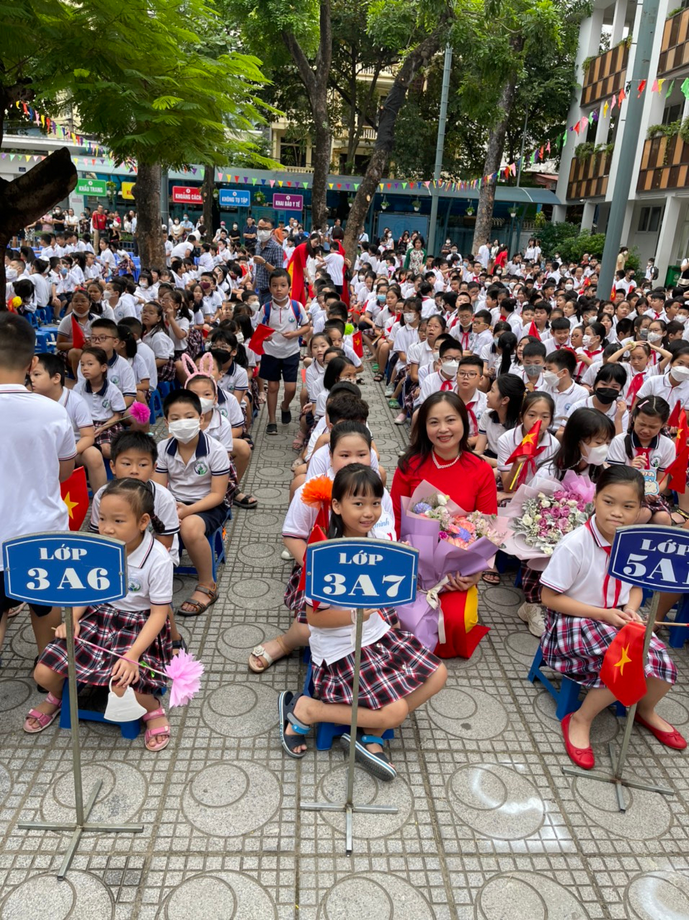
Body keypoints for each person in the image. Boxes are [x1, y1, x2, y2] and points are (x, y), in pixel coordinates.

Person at [278, 464, 447, 776]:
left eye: (375, 503)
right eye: (358, 503)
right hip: (340, 650)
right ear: (337, 506)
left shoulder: (381, 545)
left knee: (438, 674)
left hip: (377, 636)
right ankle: (309, 710)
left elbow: (388, 599)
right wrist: (354, 615)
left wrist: (392, 607)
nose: (368, 512)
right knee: (396, 711)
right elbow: (314, 618)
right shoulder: (322, 553)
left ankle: (371, 730)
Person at [540, 466, 685, 769]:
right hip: (572, 621)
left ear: (640, 509)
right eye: (609, 502)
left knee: (662, 663)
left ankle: (644, 710)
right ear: (595, 498)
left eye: (628, 506)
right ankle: (580, 718)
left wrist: (631, 608)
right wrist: (604, 614)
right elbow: (549, 598)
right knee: (630, 662)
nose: (617, 513)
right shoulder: (575, 544)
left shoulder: (633, 543)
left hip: (616, 619)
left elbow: (635, 588)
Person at [30, 480, 174, 751]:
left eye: (118, 521)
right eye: (103, 518)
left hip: (139, 625)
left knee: (125, 687)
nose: (107, 528)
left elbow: (158, 614)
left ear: (143, 522)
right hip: (97, 617)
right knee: (43, 673)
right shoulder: (98, 547)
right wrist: (72, 619)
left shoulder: (158, 559)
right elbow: (86, 590)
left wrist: (132, 655)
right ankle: (59, 696)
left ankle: (153, 710)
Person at [0, 314, 76, 667]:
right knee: (46, 613)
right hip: (42, 535)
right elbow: (65, 472)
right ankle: (51, 683)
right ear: (32, 363)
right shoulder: (53, 411)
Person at [153, 390, 230, 617]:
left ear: (201, 418)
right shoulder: (162, 448)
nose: (183, 422)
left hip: (208, 505)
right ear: (166, 422)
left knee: (189, 527)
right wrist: (170, 510)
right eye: (175, 418)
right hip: (174, 503)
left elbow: (217, 494)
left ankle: (207, 584)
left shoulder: (216, 450)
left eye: (189, 416)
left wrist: (186, 511)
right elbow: (158, 488)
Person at [30, 352, 107, 491]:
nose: (31, 379)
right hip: (42, 448)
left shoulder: (76, 401)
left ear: (56, 378)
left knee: (93, 455)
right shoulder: (29, 400)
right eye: (29, 375)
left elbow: (88, 436)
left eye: (36, 374)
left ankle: (100, 499)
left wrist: (69, 453)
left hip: (74, 449)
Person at [256, 269, 311, 435]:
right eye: (274, 286)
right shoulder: (266, 308)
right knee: (272, 387)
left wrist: (295, 334)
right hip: (270, 352)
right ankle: (272, 420)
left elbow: (306, 326)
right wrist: (264, 337)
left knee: (291, 388)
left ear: (289, 287)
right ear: (270, 288)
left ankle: (285, 406)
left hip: (291, 352)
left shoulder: (296, 307)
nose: (278, 289)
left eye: (282, 285)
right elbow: (259, 328)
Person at [606, 396, 674, 525]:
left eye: (652, 427)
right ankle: (614, 535)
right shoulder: (620, 441)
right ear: (633, 418)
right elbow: (613, 477)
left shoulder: (667, 445)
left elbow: (662, 479)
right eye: (642, 424)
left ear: (663, 425)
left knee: (663, 518)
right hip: (623, 492)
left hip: (650, 495)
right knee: (644, 513)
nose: (646, 430)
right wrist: (630, 469)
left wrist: (653, 492)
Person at [498, 391, 558, 492]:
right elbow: (508, 488)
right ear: (521, 417)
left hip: (539, 496)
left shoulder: (554, 445)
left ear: (551, 420)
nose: (537, 422)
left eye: (545, 417)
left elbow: (547, 487)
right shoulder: (506, 440)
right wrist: (516, 466)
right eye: (531, 415)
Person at [253, 218, 285, 304]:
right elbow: (258, 270)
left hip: (270, 292)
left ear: (272, 231)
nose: (262, 231)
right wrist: (253, 287)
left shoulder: (276, 248)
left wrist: (264, 263)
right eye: (260, 228)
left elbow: (279, 272)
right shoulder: (258, 245)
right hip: (259, 290)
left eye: (266, 229)